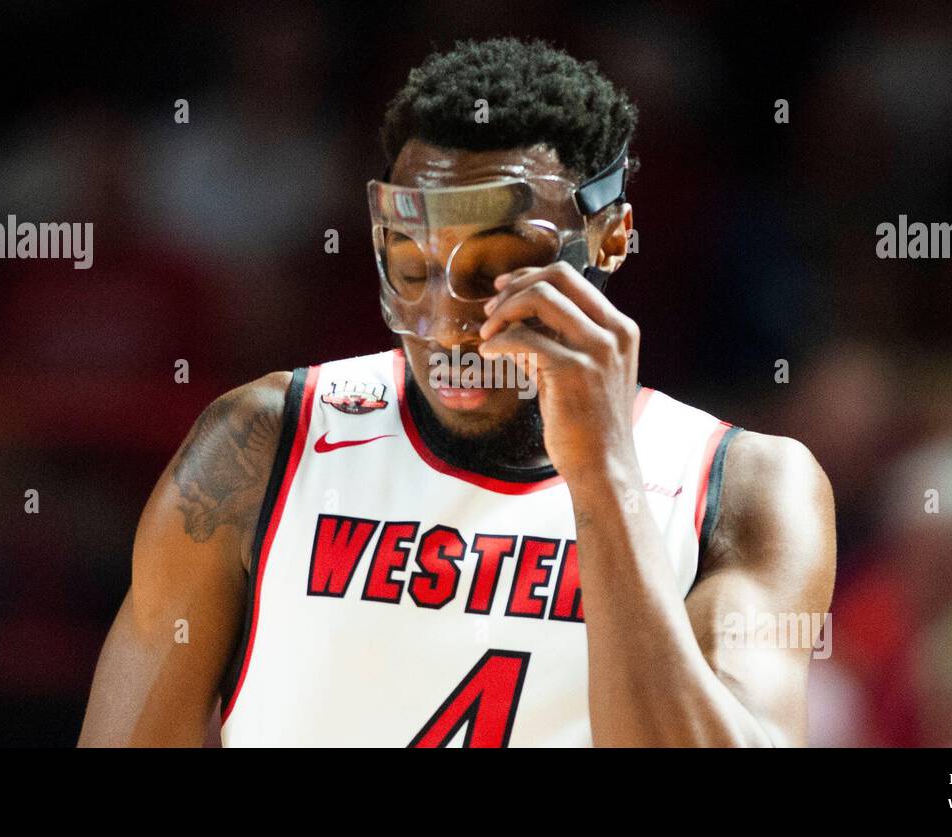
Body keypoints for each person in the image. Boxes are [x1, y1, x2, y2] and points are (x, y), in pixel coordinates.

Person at [78, 36, 835, 747]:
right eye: (412, 268)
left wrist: (605, 479)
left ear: (609, 236)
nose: (446, 324)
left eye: (496, 268)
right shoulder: (260, 446)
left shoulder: (746, 490)